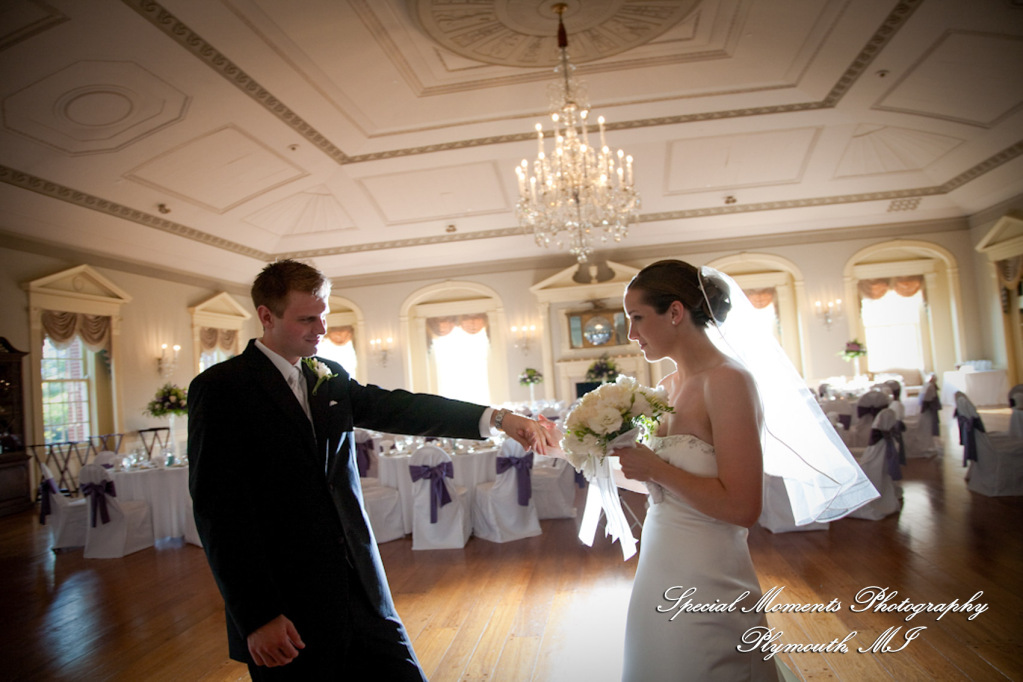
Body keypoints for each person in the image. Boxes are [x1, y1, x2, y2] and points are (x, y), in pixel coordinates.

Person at [188, 259, 553, 681]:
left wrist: (500, 418)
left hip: (361, 585)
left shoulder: (329, 376)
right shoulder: (221, 389)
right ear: (266, 317)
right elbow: (219, 513)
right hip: (287, 602)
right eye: (307, 319)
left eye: (324, 316)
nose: (320, 329)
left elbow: (403, 408)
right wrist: (257, 615)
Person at [543, 259, 875, 681]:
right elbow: (658, 481)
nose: (631, 334)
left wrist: (656, 469)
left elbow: (742, 507)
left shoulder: (728, 381)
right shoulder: (666, 387)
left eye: (637, 318)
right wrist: (567, 448)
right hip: (660, 564)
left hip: (709, 572)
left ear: (676, 312)